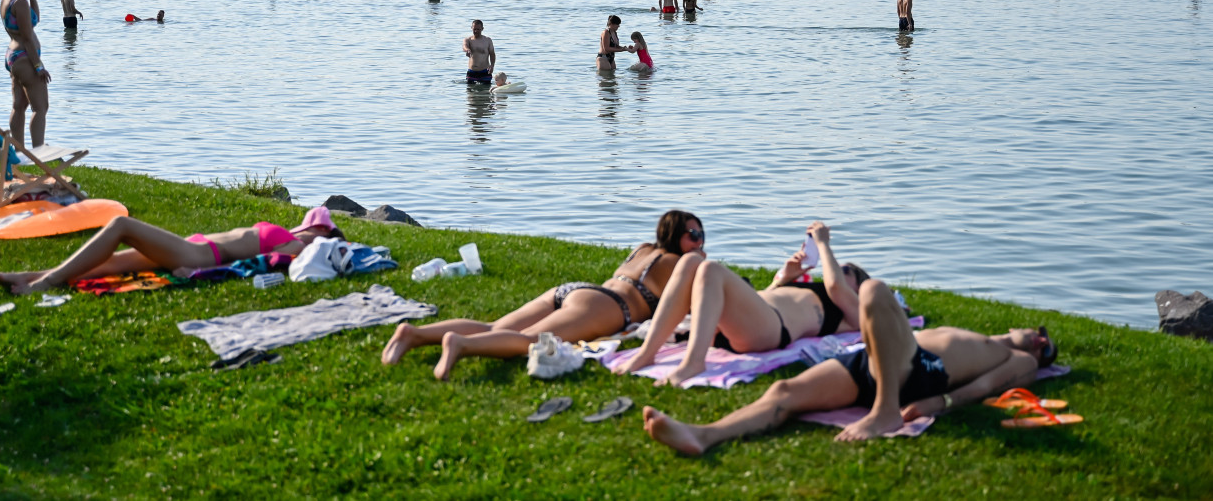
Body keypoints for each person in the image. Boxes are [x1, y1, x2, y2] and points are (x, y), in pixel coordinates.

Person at [642, 278, 1059, 454]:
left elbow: (983, 388)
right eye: (1041, 333)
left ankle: (885, 411)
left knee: (875, 290)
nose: (1040, 340)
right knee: (784, 394)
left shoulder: (1019, 360)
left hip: (921, 371)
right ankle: (703, 435)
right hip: (873, 361)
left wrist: (939, 404)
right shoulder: (987, 336)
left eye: (1048, 347)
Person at [382, 210, 706, 380]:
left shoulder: (643, 249)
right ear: (677, 236)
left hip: (575, 291)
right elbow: (699, 302)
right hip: (606, 307)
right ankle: (460, 345)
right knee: (526, 341)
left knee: (496, 327)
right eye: (694, 234)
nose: (699, 240)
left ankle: (414, 334)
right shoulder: (683, 262)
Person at [615, 221, 869, 387]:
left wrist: (823, 243)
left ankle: (694, 362)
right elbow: (762, 298)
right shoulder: (810, 289)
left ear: (858, 287)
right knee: (691, 262)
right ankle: (647, 353)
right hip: (739, 325)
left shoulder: (853, 311)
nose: (836, 269)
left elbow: (835, 285)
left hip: (771, 331)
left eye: (846, 270)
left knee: (711, 269)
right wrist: (785, 278)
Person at [0, 207, 341, 295]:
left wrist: (202, 274)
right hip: (192, 248)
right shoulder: (293, 238)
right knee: (109, 263)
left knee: (121, 227)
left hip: (197, 256)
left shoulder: (296, 247)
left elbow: (256, 263)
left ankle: (44, 283)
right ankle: (27, 278)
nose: (316, 236)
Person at [0, 0, 49, 148]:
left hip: (13, 57)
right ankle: (38, 153)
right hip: (25, 57)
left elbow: (34, 20)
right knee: (41, 107)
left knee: (19, 106)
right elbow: (28, 37)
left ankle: (18, 151)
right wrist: (39, 66)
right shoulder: (20, 4)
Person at [463, 19, 496, 84]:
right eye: (474, 29)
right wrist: (468, 50)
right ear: (471, 28)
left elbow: (492, 54)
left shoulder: (487, 40)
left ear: (482, 29)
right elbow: (465, 46)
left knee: (486, 93)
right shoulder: (468, 40)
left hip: (485, 71)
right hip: (472, 72)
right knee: (470, 93)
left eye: (478, 29)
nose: (476, 31)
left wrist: (492, 65)